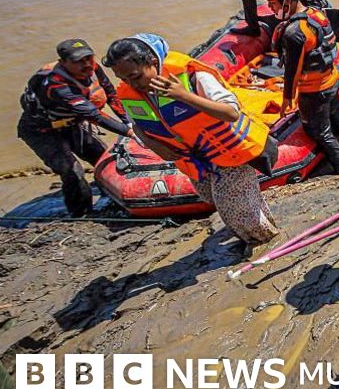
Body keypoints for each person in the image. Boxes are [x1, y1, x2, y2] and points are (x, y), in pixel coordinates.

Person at [104, 33, 279, 249]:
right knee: (216, 198)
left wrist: (183, 96)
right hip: (193, 160)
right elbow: (137, 125)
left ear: (151, 62)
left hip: (226, 152)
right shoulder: (131, 92)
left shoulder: (192, 76)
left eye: (136, 76)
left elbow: (231, 113)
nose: (132, 84)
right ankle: (260, 229)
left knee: (236, 206)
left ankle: (265, 243)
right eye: (124, 80)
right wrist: (155, 146)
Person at [262, 0, 339, 174]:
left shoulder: (294, 32)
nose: (270, 8)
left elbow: (293, 69)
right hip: (331, 80)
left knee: (319, 130)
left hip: (314, 91)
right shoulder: (315, 14)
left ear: (287, 1)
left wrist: (287, 98)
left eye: (272, 3)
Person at [17, 39, 133, 216]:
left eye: (88, 58)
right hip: (42, 131)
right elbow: (94, 115)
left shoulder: (92, 68)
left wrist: (129, 122)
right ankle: (81, 214)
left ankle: (115, 197)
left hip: (72, 123)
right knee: (72, 171)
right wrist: (131, 133)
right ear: (63, 63)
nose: (86, 64)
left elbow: (111, 94)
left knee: (105, 157)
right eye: (78, 61)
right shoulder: (54, 84)